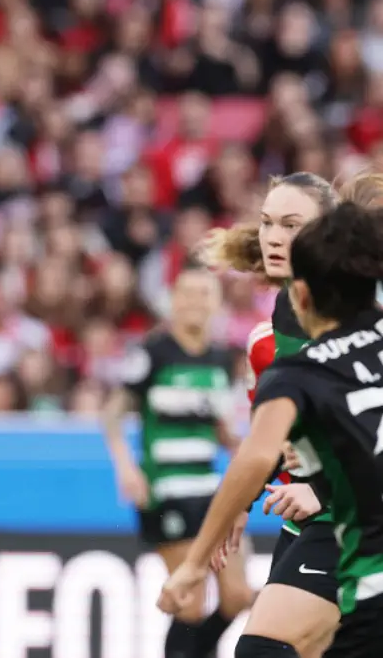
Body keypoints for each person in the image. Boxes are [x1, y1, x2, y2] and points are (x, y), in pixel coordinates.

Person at [159, 196, 383, 658]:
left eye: (291, 224)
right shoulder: (275, 335)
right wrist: (248, 500)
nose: (274, 236)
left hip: (346, 518)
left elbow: (260, 450)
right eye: (266, 223)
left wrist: (195, 564)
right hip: (314, 520)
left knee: (266, 649)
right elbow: (272, 446)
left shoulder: (304, 358)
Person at [102, 266, 253, 658]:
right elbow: (112, 414)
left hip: (210, 489)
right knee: (190, 599)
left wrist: (242, 445)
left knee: (237, 596)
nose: (193, 302)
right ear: (172, 301)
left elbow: (218, 427)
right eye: (185, 293)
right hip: (165, 488)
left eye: (203, 293)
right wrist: (125, 466)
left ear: (216, 302)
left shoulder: (222, 360)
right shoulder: (152, 353)